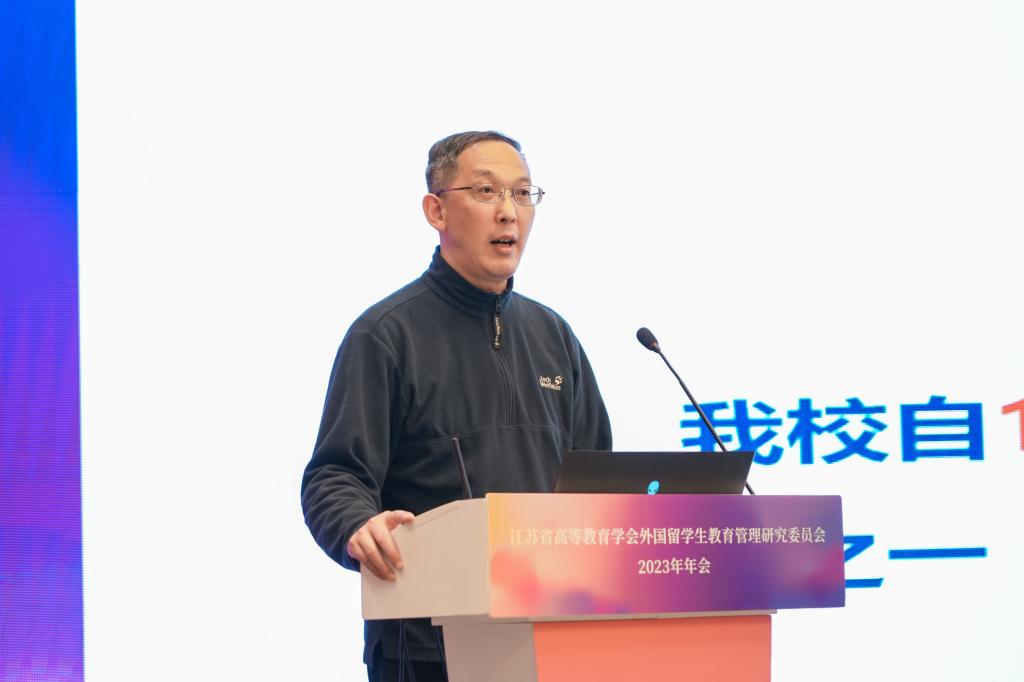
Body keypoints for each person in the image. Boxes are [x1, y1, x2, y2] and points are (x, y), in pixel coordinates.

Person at [301, 131, 612, 682]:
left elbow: (599, 478)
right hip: (426, 650)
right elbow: (334, 476)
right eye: (486, 191)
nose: (508, 211)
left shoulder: (553, 335)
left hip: (550, 639)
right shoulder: (386, 335)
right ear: (436, 210)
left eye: (522, 193)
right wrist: (358, 524)